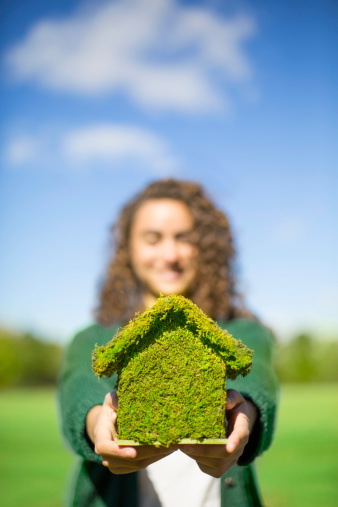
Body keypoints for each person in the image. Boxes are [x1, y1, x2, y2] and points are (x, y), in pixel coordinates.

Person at [58, 178, 279, 507]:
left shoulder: (242, 332)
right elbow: (79, 388)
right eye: (152, 238)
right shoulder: (93, 337)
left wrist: (243, 415)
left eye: (184, 238)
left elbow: (258, 382)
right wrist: (97, 424)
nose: (170, 254)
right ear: (128, 250)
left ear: (204, 248)